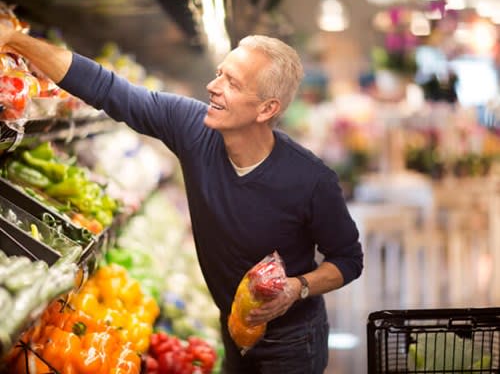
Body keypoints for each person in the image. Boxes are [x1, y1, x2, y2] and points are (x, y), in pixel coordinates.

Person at [0, 23, 363, 373]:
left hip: (293, 342)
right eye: (220, 73)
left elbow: (348, 259)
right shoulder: (193, 127)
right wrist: (17, 40)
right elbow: (108, 88)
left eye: (231, 83)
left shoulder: (310, 179)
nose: (212, 86)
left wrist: (297, 289)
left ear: (266, 109)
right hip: (232, 325)